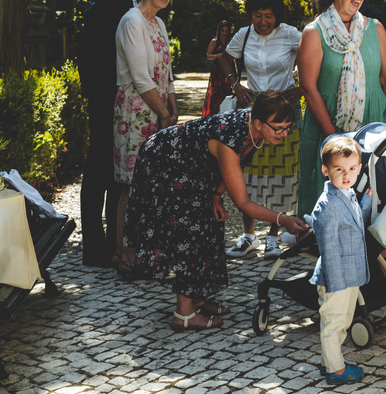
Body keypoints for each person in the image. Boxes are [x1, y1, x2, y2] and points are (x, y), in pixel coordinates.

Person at [122, 91, 309, 330]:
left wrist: (216, 195)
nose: (283, 134)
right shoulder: (229, 136)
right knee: (191, 229)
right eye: (279, 128)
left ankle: (198, 295)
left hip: (193, 164)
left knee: (210, 222)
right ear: (259, 123)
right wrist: (283, 219)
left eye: (287, 128)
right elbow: (242, 202)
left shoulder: (254, 128)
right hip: (165, 160)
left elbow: (238, 162)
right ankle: (184, 313)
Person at [77, 0, 165, 267]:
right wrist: (100, 99)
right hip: (107, 101)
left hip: (135, 105)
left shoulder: (152, 5)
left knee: (122, 175)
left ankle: (118, 244)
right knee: (99, 168)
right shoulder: (108, 0)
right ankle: (93, 247)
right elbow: (87, 53)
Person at [297, 0, 386, 215]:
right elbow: (308, 87)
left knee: (373, 194)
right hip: (327, 124)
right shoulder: (314, 32)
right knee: (328, 199)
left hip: (374, 125)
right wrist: (335, 139)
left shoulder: (376, 28)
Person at [221, 0, 304, 259]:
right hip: (253, 113)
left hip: (284, 113)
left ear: (277, 16)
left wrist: (302, 88)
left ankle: (272, 236)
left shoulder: (291, 34)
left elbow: (316, 55)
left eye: (269, 16)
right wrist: (236, 85)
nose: (263, 21)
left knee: (282, 174)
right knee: (250, 172)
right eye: (258, 15)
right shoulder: (243, 35)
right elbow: (225, 58)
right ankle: (248, 236)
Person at [112, 0, 179, 277]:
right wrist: (163, 112)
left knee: (153, 184)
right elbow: (140, 77)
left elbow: (166, 72)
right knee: (131, 183)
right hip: (136, 111)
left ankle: (149, 253)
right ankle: (124, 254)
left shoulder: (159, 24)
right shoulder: (132, 21)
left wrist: (173, 104)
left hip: (159, 109)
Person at [309, 134, 371, 385]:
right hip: (337, 278)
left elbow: (354, 224)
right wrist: (335, 283)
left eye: (353, 169)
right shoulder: (327, 205)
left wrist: (366, 201)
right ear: (326, 170)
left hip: (350, 274)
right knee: (334, 323)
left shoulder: (347, 193)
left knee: (343, 321)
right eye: (339, 169)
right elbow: (329, 247)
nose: (347, 175)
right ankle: (335, 370)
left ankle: (329, 361)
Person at [201, 20, 234, 118]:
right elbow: (208, 55)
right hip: (217, 70)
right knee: (215, 93)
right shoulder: (214, 42)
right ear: (219, 31)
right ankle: (213, 115)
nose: (224, 33)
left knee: (228, 92)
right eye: (222, 30)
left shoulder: (231, 41)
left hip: (229, 69)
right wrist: (218, 55)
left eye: (226, 31)